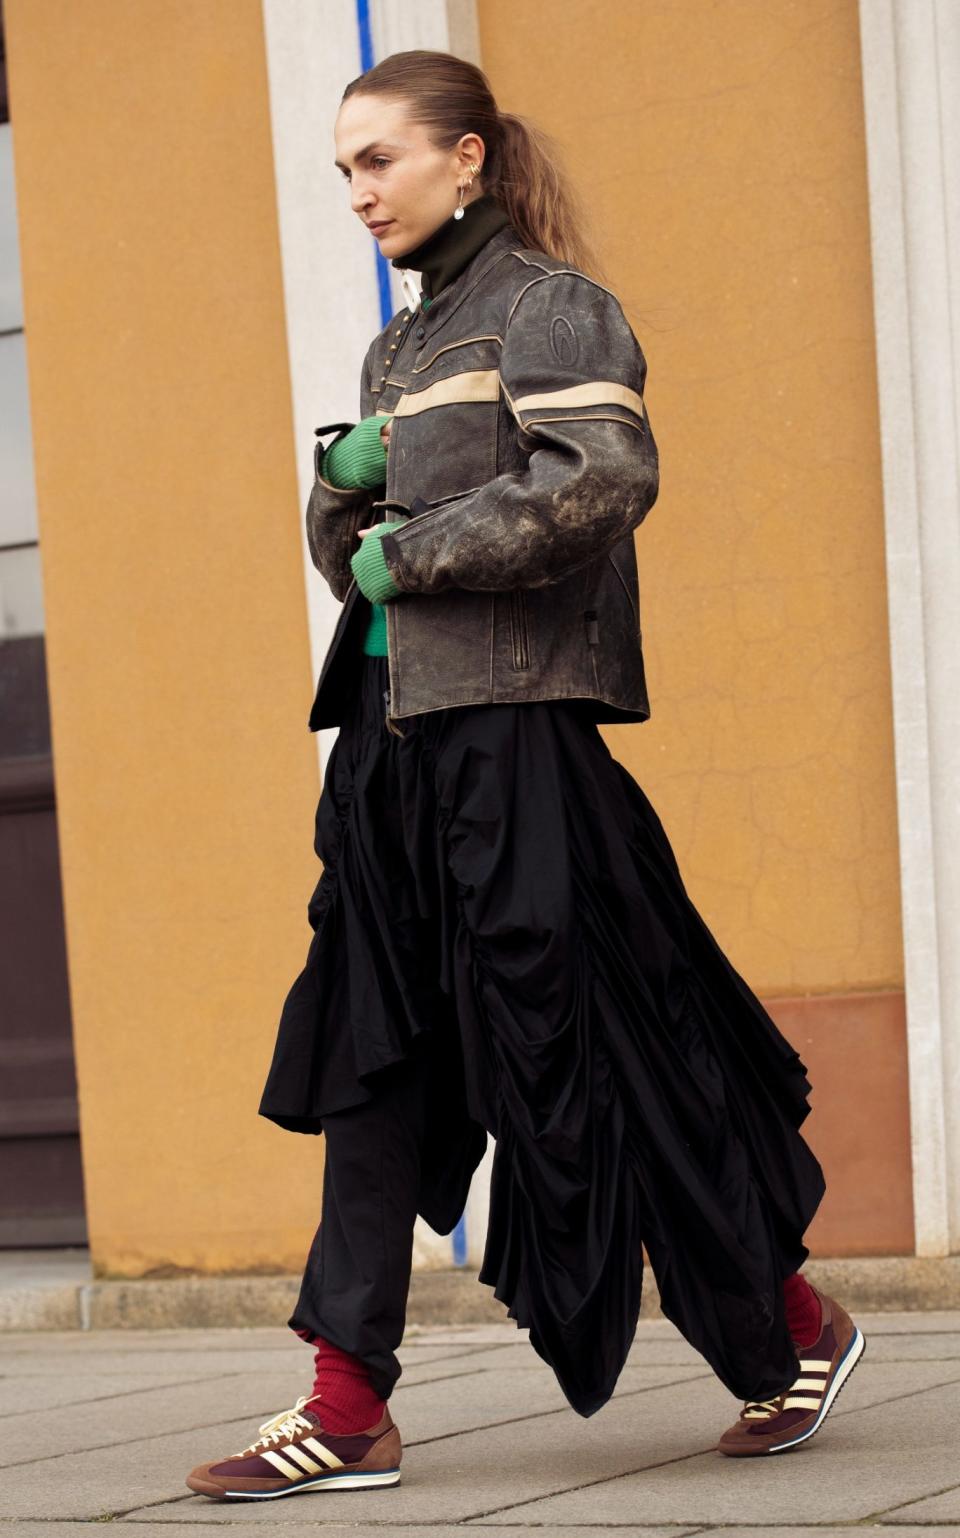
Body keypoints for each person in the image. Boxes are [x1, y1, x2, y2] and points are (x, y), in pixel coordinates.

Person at [185, 49, 866, 1504]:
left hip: (519, 747)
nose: (357, 189)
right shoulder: (399, 346)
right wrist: (344, 478)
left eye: (379, 158)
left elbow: (603, 479)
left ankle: (795, 1323)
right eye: (344, 167)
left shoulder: (551, 308)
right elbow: (348, 548)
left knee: (610, 1057)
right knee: (371, 1054)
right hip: (389, 750)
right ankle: (346, 1398)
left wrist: (405, 538)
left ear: (469, 158)